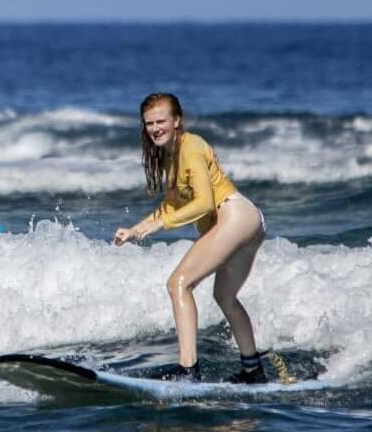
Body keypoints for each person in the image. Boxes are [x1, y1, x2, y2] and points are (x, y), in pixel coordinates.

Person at [111, 93, 281, 384]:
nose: (155, 128)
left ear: (177, 121)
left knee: (178, 283)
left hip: (234, 215)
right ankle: (253, 370)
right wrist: (137, 228)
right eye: (149, 123)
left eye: (161, 121)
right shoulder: (171, 156)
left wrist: (159, 225)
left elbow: (203, 203)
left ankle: (188, 370)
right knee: (224, 297)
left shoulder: (191, 146)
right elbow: (174, 204)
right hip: (248, 221)